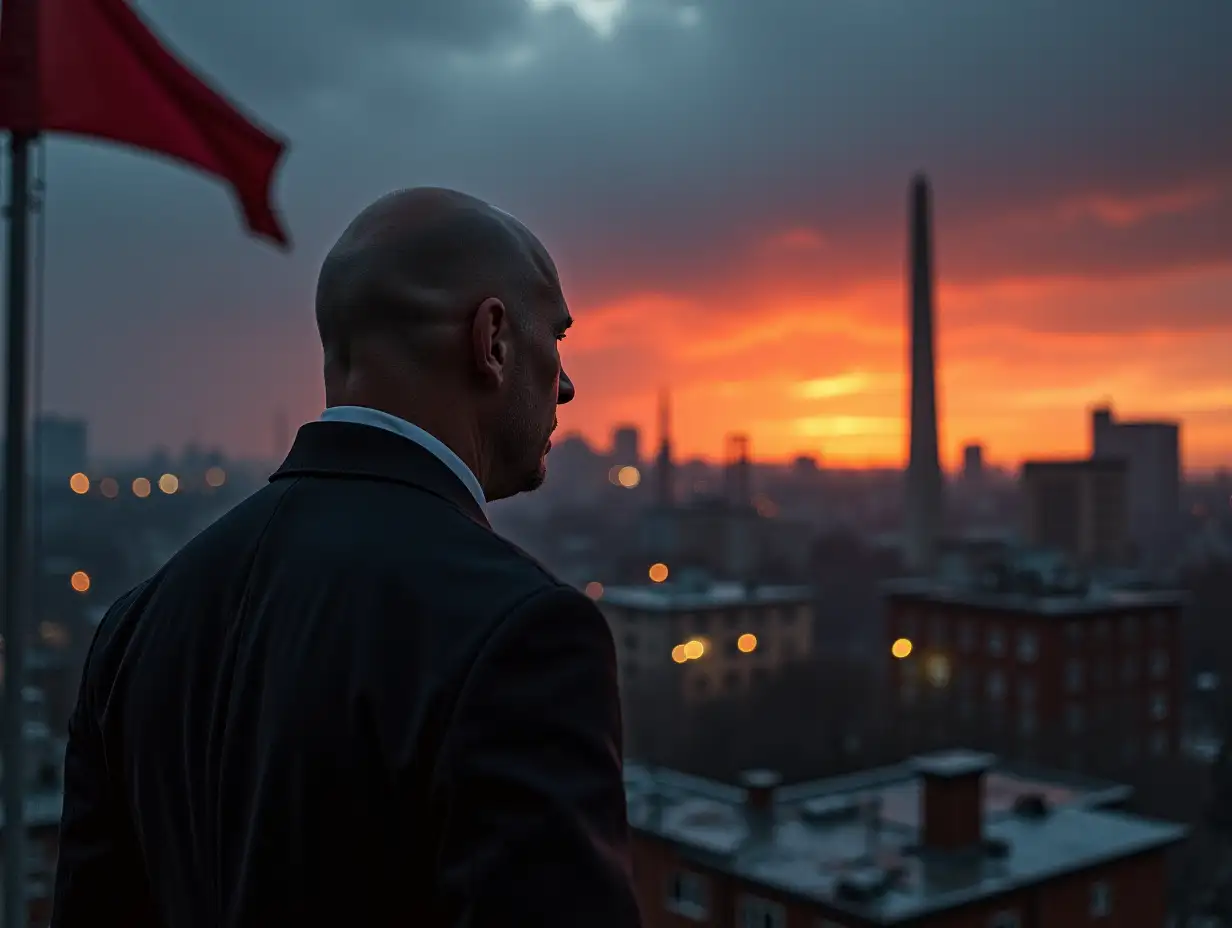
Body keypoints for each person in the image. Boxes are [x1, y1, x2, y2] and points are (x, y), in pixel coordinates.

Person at [51, 188, 642, 927]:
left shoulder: (138, 625)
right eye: (554, 337)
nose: (565, 383)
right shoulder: (519, 633)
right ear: (491, 340)